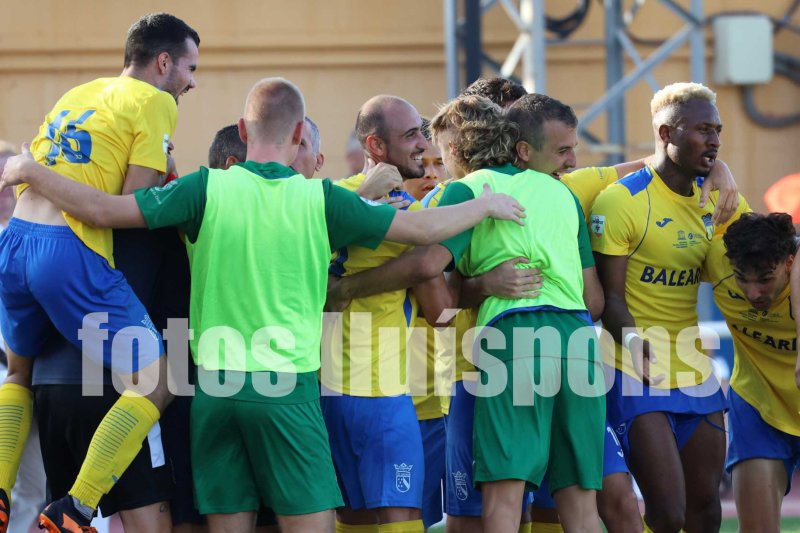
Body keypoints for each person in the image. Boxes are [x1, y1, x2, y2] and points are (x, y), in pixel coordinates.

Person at [1, 77, 524, 533]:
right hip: (285, 393)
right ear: (300, 134)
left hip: (214, 392)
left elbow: (101, 207)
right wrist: (488, 203)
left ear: (242, 130)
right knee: (313, 525)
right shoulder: (320, 199)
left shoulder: (204, 189)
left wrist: (30, 169)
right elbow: (423, 229)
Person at [0, 12, 199, 533]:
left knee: (18, 372)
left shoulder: (79, 91)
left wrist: (30, 171)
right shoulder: (156, 101)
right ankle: (79, 507)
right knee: (160, 380)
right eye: (189, 68)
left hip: (14, 244)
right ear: (163, 62)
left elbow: (58, 172)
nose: (192, 82)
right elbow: (127, 207)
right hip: (64, 253)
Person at [590, 82, 749, 533]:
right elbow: (612, 299)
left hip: (695, 371)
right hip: (634, 368)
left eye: (717, 130)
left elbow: (750, 273)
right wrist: (636, 342)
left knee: (706, 513)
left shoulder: (721, 200)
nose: (715, 140)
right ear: (666, 133)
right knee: (669, 513)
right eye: (702, 130)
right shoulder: (622, 201)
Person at [702, 213, 799, 533]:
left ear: (789, 262)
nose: (753, 292)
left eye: (765, 279)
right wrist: (720, 169)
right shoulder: (719, 259)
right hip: (759, 404)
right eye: (743, 278)